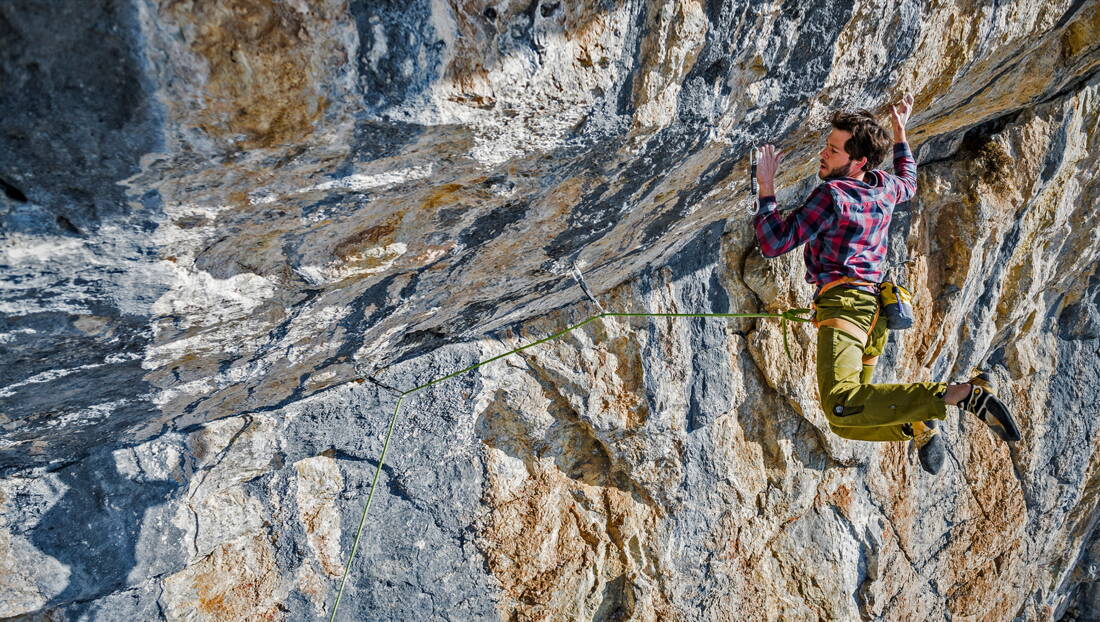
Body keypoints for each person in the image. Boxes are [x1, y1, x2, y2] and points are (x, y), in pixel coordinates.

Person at [752, 95, 1021, 474]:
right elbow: (909, 181)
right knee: (844, 421)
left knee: (842, 404)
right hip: (874, 312)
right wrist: (900, 133)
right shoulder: (883, 187)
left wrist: (766, 185)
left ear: (859, 161)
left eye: (833, 150)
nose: (823, 154)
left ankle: (958, 394)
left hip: (846, 308)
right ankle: (915, 424)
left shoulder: (832, 196)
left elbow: (774, 242)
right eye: (827, 145)